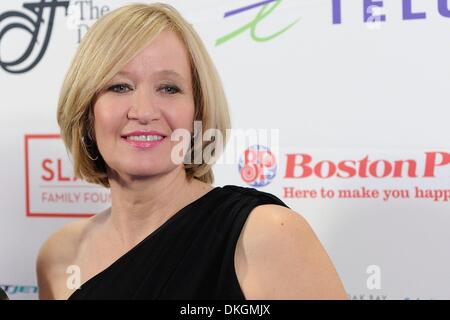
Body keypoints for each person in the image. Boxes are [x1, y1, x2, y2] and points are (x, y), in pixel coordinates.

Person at [36, 3, 347, 300]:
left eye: (169, 88)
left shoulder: (265, 235)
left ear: (198, 112)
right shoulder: (59, 256)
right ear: (88, 114)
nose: (143, 111)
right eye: (119, 87)